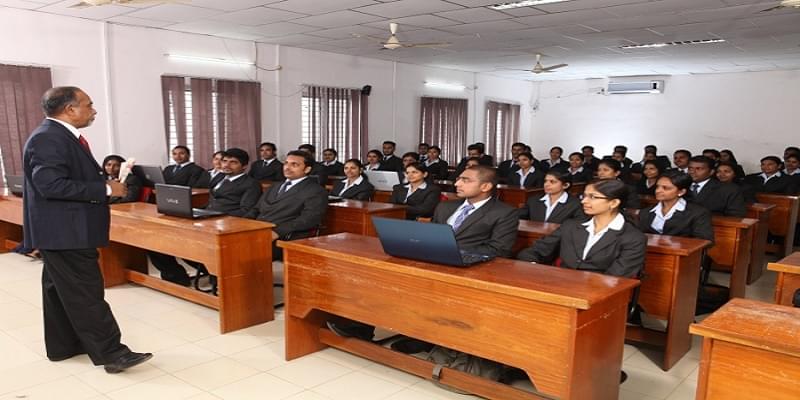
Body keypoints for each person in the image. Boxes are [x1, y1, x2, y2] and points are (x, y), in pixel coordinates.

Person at [23, 86, 151, 373]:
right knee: (85, 292)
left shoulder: (58, 136)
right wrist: (105, 188)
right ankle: (112, 354)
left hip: (60, 230)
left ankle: (64, 346)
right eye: (88, 105)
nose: (93, 110)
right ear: (70, 109)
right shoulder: (49, 139)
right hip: (67, 231)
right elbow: (50, 185)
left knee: (58, 290)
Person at [327, 165, 518, 342]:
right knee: (380, 272)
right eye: (458, 179)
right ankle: (361, 326)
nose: (457, 183)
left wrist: (451, 250)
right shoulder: (446, 206)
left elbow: (499, 249)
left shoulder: (504, 212)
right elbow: (432, 234)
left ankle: (422, 337)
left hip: (467, 267)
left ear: (485, 186)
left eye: (466, 180)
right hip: (432, 258)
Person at [149, 148, 262, 289]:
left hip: (225, 224)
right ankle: (176, 277)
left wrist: (217, 218)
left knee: (191, 247)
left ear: (244, 166)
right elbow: (211, 202)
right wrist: (195, 211)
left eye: (233, 163)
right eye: (224, 161)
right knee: (159, 241)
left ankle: (218, 275)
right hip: (209, 219)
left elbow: (246, 211)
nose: (226, 165)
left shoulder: (250, 184)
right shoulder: (219, 177)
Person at [517, 179, 646, 278]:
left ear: (613, 203)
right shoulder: (570, 226)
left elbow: (616, 278)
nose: (584, 201)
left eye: (593, 197)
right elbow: (535, 251)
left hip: (599, 298)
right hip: (558, 286)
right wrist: (534, 268)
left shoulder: (633, 238)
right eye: (584, 196)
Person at [247, 150, 328, 261]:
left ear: (307, 169)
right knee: (224, 241)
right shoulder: (275, 186)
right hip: (258, 229)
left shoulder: (315, 191)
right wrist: (241, 224)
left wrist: (277, 232)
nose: (287, 167)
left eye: (294, 164)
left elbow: (308, 219)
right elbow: (256, 209)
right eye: (286, 163)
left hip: (283, 235)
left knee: (234, 249)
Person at [638, 170, 714, 242]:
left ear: (681, 192)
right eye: (657, 187)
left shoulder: (698, 213)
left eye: (666, 188)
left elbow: (704, 241)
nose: (658, 191)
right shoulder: (646, 212)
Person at [519, 171, 584, 223]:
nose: (546, 185)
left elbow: (578, 227)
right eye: (545, 181)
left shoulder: (576, 204)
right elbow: (520, 216)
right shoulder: (533, 200)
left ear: (565, 185)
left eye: (552, 182)